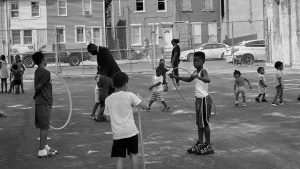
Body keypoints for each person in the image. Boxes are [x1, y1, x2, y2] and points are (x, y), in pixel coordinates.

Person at [169, 51, 214, 155]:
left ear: (203, 61)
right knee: (199, 124)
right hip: (198, 100)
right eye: (194, 61)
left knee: (205, 123)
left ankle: (208, 145)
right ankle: (201, 143)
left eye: (197, 61)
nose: (195, 63)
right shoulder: (195, 71)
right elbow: (189, 79)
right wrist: (176, 77)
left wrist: (198, 77)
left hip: (204, 99)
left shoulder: (203, 71)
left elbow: (208, 79)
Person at [103, 72, 149, 169]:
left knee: (119, 157)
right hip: (131, 132)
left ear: (114, 84)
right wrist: (140, 98)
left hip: (118, 133)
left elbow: (107, 117)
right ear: (125, 84)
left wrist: (115, 117)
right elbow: (146, 106)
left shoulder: (108, 99)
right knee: (134, 155)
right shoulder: (130, 95)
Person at [32, 52, 58, 158]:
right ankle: (41, 150)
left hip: (42, 102)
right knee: (44, 127)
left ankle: (45, 145)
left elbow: (39, 86)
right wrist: (36, 94)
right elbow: (39, 86)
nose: (46, 60)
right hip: (44, 102)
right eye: (45, 58)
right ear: (43, 60)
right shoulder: (46, 72)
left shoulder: (37, 71)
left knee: (45, 126)